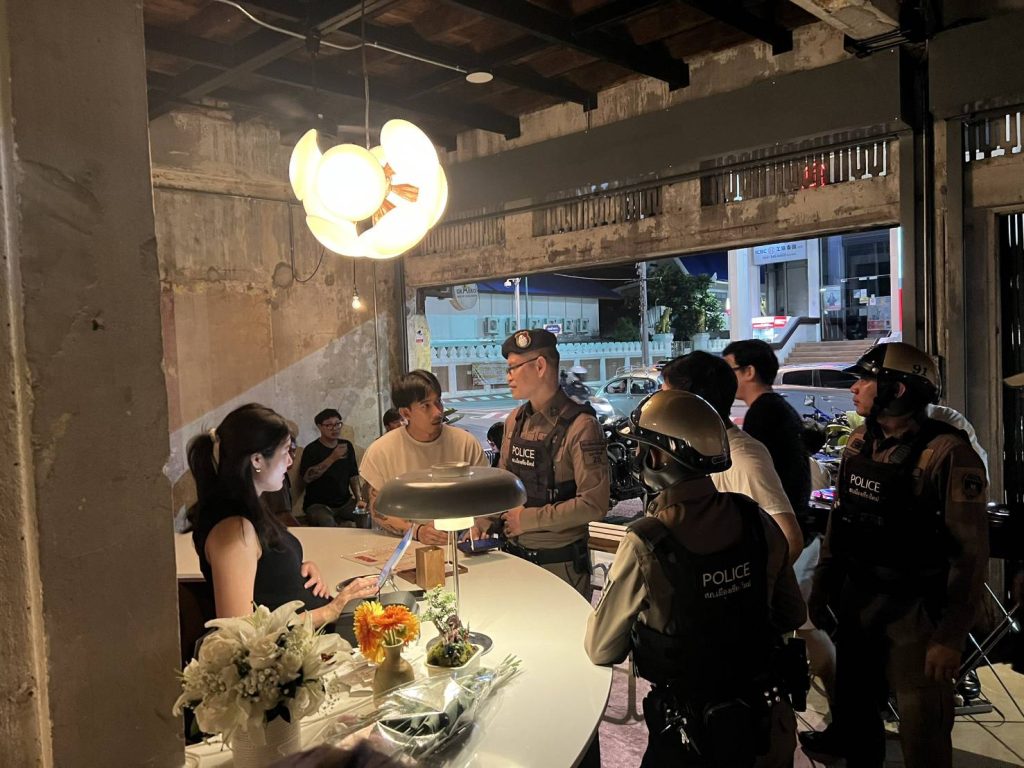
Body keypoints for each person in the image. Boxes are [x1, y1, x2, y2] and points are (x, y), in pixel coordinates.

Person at [585, 390, 806, 767]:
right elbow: (791, 614)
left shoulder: (647, 541)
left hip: (689, 735)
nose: (636, 456)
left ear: (657, 457)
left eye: (640, 446)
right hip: (762, 723)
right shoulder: (755, 519)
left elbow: (601, 648)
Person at [804, 342, 989, 767]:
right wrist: (822, 589)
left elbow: (970, 553)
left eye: (865, 379)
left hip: (917, 614)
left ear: (897, 389)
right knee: (857, 726)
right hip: (859, 605)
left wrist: (950, 637)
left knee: (923, 732)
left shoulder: (948, 453)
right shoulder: (859, 443)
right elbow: (840, 524)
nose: (854, 389)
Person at [187, 403, 377, 627]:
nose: (289, 462)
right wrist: (333, 609)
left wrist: (297, 569)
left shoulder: (251, 508)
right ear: (257, 460)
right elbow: (239, 630)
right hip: (295, 644)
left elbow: (264, 571)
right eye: (285, 451)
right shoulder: (233, 529)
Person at [487, 328, 609, 599]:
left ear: (540, 366)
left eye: (513, 367)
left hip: (560, 566)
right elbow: (504, 483)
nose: (508, 376)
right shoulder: (515, 420)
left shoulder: (582, 426)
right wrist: (483, 522)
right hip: (514, 559)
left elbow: (594, 504)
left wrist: (527, 519)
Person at [661, 352, 804, 561]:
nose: (659, 405)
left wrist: (749, 580)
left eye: (665, 395)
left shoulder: (742, 457)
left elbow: (790, 539)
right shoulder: (701, 450)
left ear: (691, 404)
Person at [360, 370, 487, 546]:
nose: (437, 412)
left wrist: (478, 526)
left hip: (460, 543)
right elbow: (378, 509)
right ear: (406, 413)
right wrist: (417, 531)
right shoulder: (381, 451)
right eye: (425, 406)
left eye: (438, 402)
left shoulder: (465, 443)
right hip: (404, 546)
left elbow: (487, 496)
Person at [723, 339, 813, 539]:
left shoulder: (763, 413)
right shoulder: (776, 407)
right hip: (793, 515)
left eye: (729, 370)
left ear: (749, 372)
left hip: (779, 526)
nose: (724, 378)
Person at [299, 409, 366, 528]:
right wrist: (332, 457)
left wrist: (359, 498)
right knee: (328, 523)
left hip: (345, 503)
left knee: (367, 516)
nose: (334, 428)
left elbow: (353, 475)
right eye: (329, 425)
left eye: (337, 424)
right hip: (318, 505)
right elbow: (307, 478)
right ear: (319, 427)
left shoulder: (346, 446)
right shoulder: (311, 449)